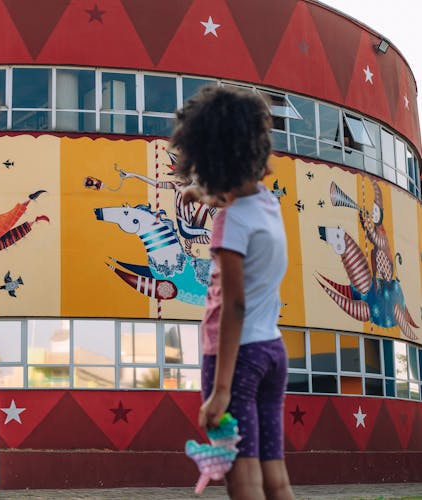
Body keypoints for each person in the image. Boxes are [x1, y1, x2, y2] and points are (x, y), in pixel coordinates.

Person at [171, 85, 295, 500]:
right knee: (274, 474)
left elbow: (233, 307)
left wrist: (221, 390)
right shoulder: (266, 204)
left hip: (235, 361)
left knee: (243, 481)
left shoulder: (229, 226)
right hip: (272, 352)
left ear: (206, 160)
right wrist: (202, 193)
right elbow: (236, 199)